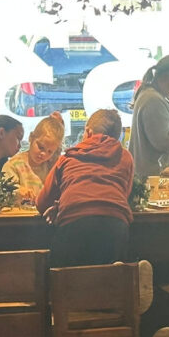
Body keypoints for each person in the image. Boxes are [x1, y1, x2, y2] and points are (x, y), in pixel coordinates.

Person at [36, 108, 135, 268]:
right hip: (115, 225)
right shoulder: (125, 157)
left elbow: (42, 203)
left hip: (74, 223)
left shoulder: (68, 158)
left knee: (64, 278)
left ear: (88, 132)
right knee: (109, 279)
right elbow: (125, 194)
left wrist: (61, 205)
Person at [2, 112, 65, 203]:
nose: (43, 154)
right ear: (31, 138)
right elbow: (4, 189)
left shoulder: (50, 166)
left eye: (50, 152)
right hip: (19, 211)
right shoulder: (14, 165)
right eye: (41, 147)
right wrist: (19, 191)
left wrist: (59, 124)